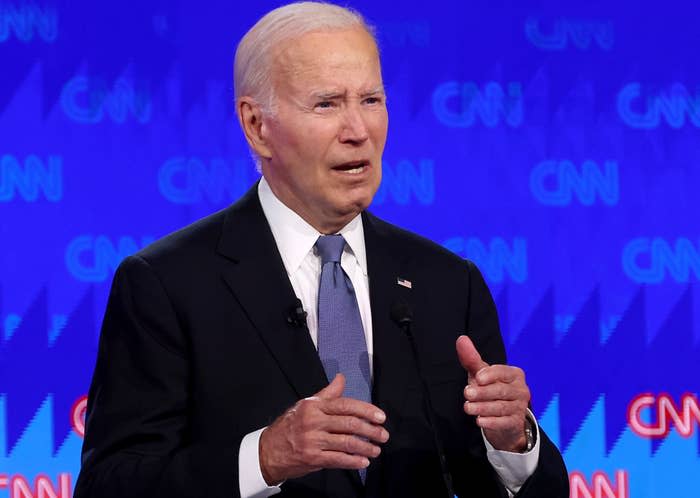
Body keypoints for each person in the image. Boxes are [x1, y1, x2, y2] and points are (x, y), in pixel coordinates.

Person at [74, 2, 569, 497]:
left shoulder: (447, 283)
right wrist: (264, 457)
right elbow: (109, 486)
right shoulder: (168, 284)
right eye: (327, 104)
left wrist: (512, 442)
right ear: (256, 125)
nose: (358, 131)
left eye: (371, 100)